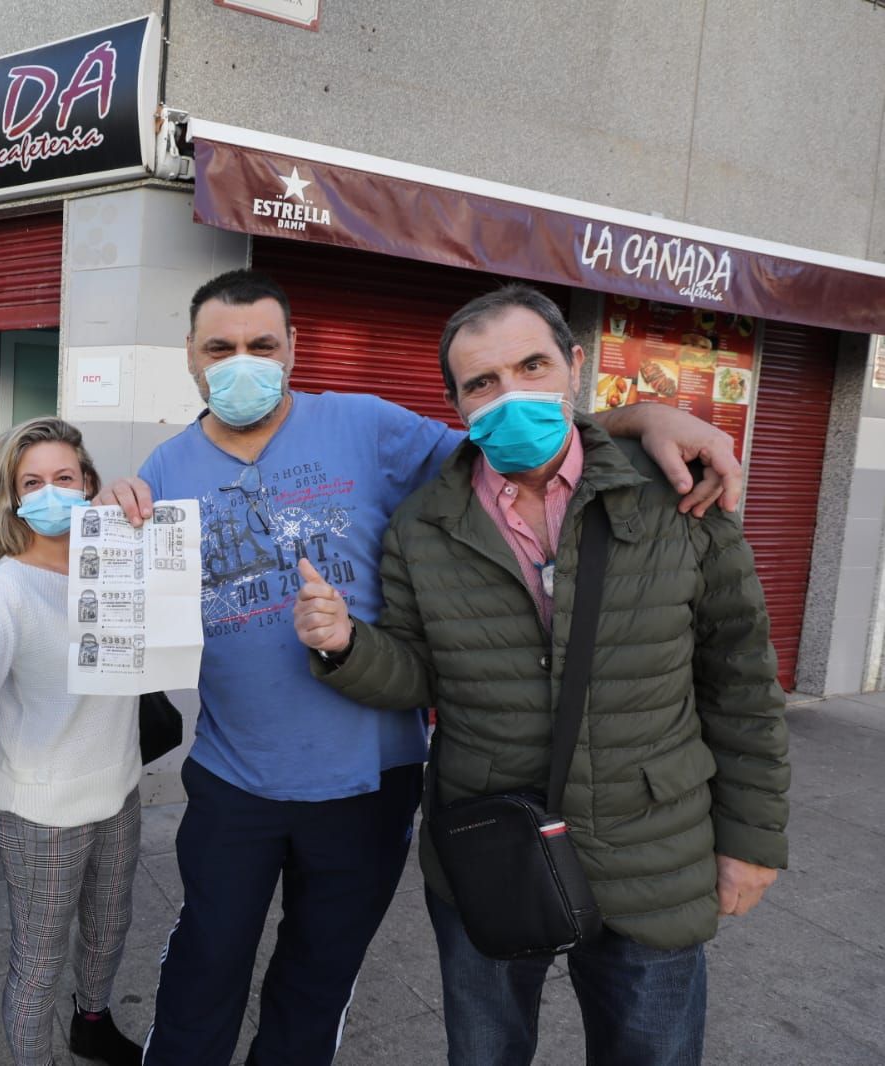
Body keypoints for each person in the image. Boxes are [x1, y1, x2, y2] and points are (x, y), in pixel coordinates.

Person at [94, 270, 751, 1066]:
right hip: (235, 778)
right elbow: (102, 597)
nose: (243, 363)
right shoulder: (163, 471)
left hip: (371, 783)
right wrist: (97, 517)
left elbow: (511, 443)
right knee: (204, 968)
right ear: (191, 359)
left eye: (262, 345)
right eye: (221, 348)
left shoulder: (367, 426)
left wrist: (647, 413)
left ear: (293, 349)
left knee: (317, 978)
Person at [294, 284, 789, 1065]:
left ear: (575, 365)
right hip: (493, 842)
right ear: (455, 402)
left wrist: (752, 839)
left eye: (531, 365)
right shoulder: (423, 524)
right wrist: (344, 645)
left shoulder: (675, 496)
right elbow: (419, 673)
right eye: (481, 383)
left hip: (651, 846)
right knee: (485, 1051)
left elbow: (741, 682)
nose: (510, 394)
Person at [0, 417, 144, 1066]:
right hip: (41, 810)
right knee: (39, 961)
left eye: (65, 477)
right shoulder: (2, 591)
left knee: (109, 931)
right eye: (33, 482)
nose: (50, 492)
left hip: (118, 786)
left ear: (88, 483)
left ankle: (91, 1019)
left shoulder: (119, 564)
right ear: (10, 496)